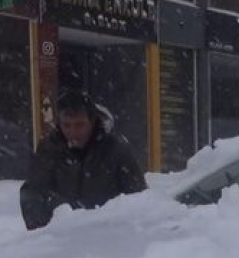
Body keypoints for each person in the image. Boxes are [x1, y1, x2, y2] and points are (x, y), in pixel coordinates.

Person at [19, 90, 147, 230]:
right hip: (60, 237)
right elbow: (33, 193)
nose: (73, 132)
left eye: (79, 125)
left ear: (92, 122)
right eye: (66, 125)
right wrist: (46, 228)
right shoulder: (49, 149)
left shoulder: (116, 149)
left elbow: (138, 198)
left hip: (108, 235)